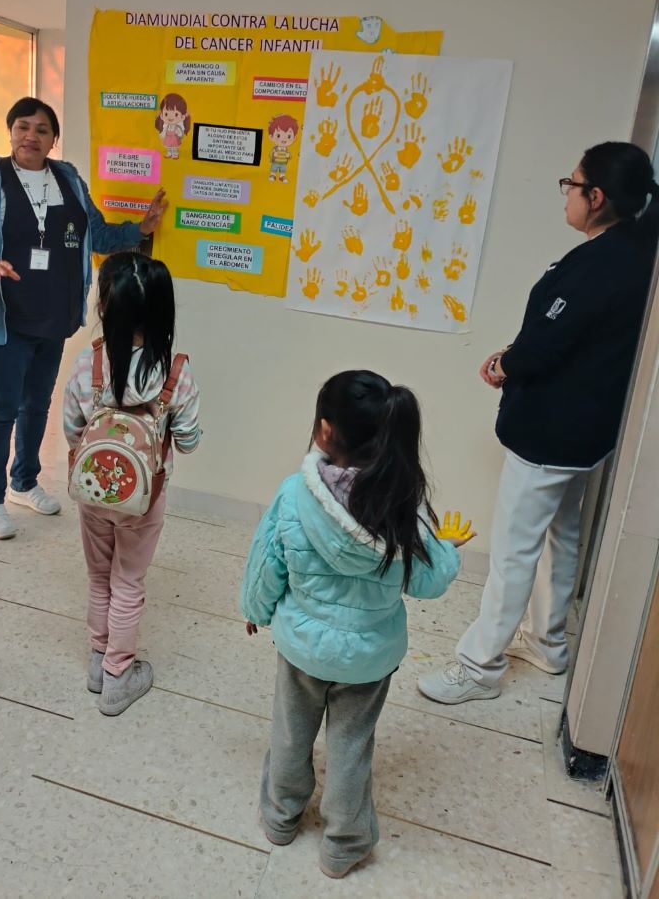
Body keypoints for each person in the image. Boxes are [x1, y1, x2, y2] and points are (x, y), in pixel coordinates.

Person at [418, 142, 659, 706]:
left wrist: (507, 362)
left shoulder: (603, 263)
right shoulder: (632, 249)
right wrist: (515, 354)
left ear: (596, 197)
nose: (566, 195)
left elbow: (551, 342)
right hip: (586, 430)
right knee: (561, 531)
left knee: (513, 550)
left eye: (570, 185)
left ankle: (479, 666)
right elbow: (567, 336)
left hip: (553, 429)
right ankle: (549, 643)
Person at [240, 371, 464, 879]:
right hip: (368, 658)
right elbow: (428, 583)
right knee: (351, 745)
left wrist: (256, 609)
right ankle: (343, 846)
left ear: (324, 431)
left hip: (302, 647)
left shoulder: (294, 494)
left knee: (291, 732)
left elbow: (266, 561)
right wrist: (447, 551)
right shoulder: (403, 505)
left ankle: (280, 819)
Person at [0, 97, 167, 541]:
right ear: (10, 132)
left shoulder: (66, 178)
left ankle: (23, 482)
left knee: (37, 405)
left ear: (53, 139)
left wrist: (138, 231)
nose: (32, 136)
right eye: (23, 127)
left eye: (42, 129)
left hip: (53, 315)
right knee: (1, 408)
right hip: (4, 318)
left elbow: (96, 233)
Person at [63, 253, 200, 716]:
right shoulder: (175, 373)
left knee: (99, 576)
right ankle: (121, 676)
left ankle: (98, 662)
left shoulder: (90, 364)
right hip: (145, 499)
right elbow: (189, 441)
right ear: (165, 311)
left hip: (93, 494)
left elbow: (71, 430)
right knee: (129, 580)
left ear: (104, 305)